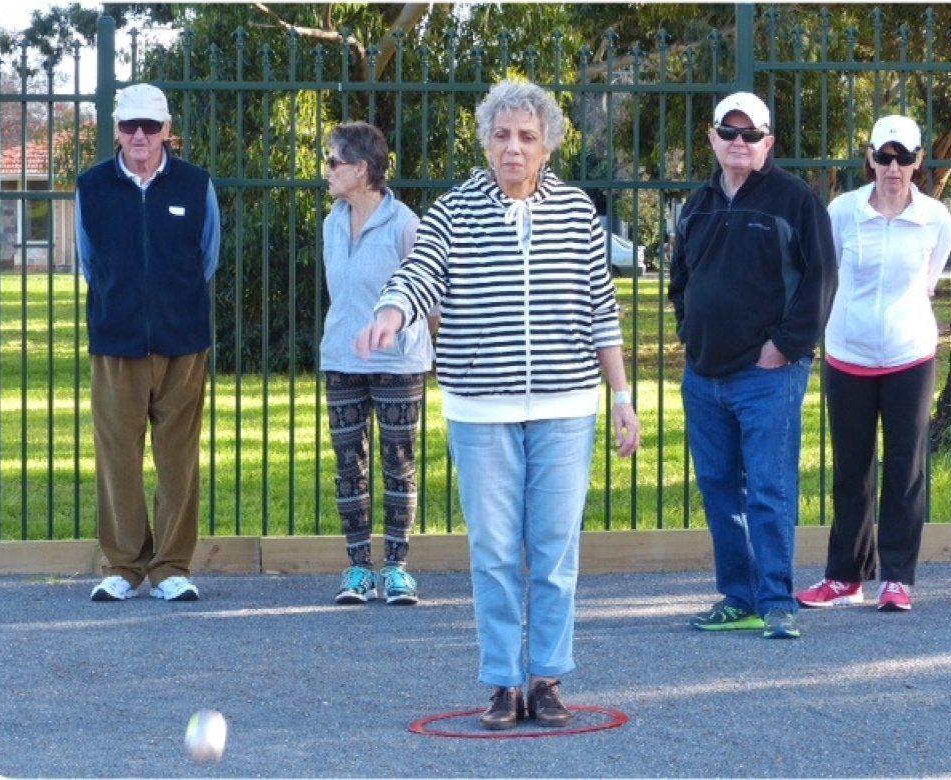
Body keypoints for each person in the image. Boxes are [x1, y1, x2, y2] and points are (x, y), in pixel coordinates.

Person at [356, 80, 640, 729]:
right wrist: (392, 309)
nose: (514, 147)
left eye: (527, 137)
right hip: (480, 407)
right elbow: (420, 272)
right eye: (502, 135)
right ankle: (503, 684)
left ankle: (546, 677)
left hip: (567, 406)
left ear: (546, 147)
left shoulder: (576, 211)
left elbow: (601, 308)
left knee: (554, 545)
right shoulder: (454, 212)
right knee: (492, 549)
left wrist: (621, 397)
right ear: (486, 142)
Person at [668, 91, 837, 639]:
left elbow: (821, 281)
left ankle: (776, 599)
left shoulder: (795, 201)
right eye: (728, 132)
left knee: (769, 488)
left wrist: (785, 347)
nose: (738, 142)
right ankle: (737, 596)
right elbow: (680, 282)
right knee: (719, 489)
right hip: (704, 376)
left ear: (768, 143)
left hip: (768, 376)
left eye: (750, 134)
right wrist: (689, 334)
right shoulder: (695, 205)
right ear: (712, 138)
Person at [796, 115, 951, 613]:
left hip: (911, 355)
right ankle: (845, 575)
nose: (892, 167)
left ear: (918, 162)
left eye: (903, 157)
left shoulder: (936, 218)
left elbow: (928, 280)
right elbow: (826, 271)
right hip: (848, 354)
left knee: (906, 467)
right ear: (869, 158)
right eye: (884, 156)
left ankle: (898, 579)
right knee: (851, 469)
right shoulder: (843, 211)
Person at [76, 83, 220, 602]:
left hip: (183, 342)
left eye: (150, 126)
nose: (140, 136)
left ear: (167, 132)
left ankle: (171, 567)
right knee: (117, 455)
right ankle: (123, 566)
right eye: (130, 126)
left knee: (178, 455)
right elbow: (90, 262)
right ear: (116, 130)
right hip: (115, 342)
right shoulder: (91, 187)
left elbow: (207, 258)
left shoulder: (195, 185)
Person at [320, 121, 435, 606]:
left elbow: (429, 298)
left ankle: (397, 570)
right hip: (342, 358)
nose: (326, 170)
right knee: (349, 465)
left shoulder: (405, 223)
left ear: (361, 169)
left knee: (398, 463)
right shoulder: (331, 221)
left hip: (398, 362)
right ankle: (357, 569)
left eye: (334, 162)